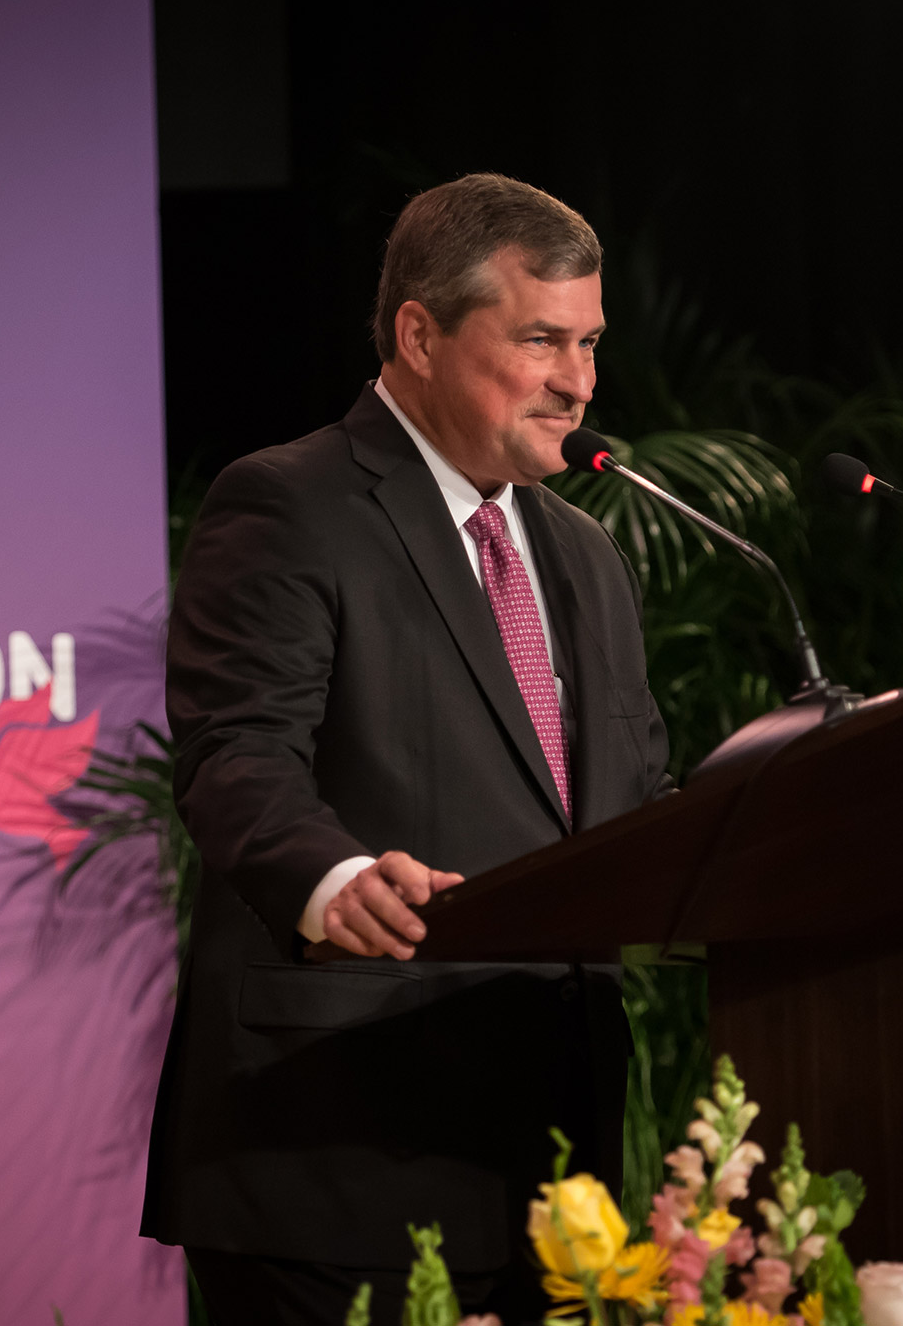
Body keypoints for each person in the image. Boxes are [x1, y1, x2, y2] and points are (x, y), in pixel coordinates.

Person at [141, 173, 673, 1325]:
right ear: (418, 333)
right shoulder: (289, 503)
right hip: (337, 1152)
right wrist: (330, 881)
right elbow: (234, 754)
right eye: (539, 340)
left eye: (587, 343)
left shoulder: (584, 556)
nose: (578, 383)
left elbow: (633, 811)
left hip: (554, 1179)